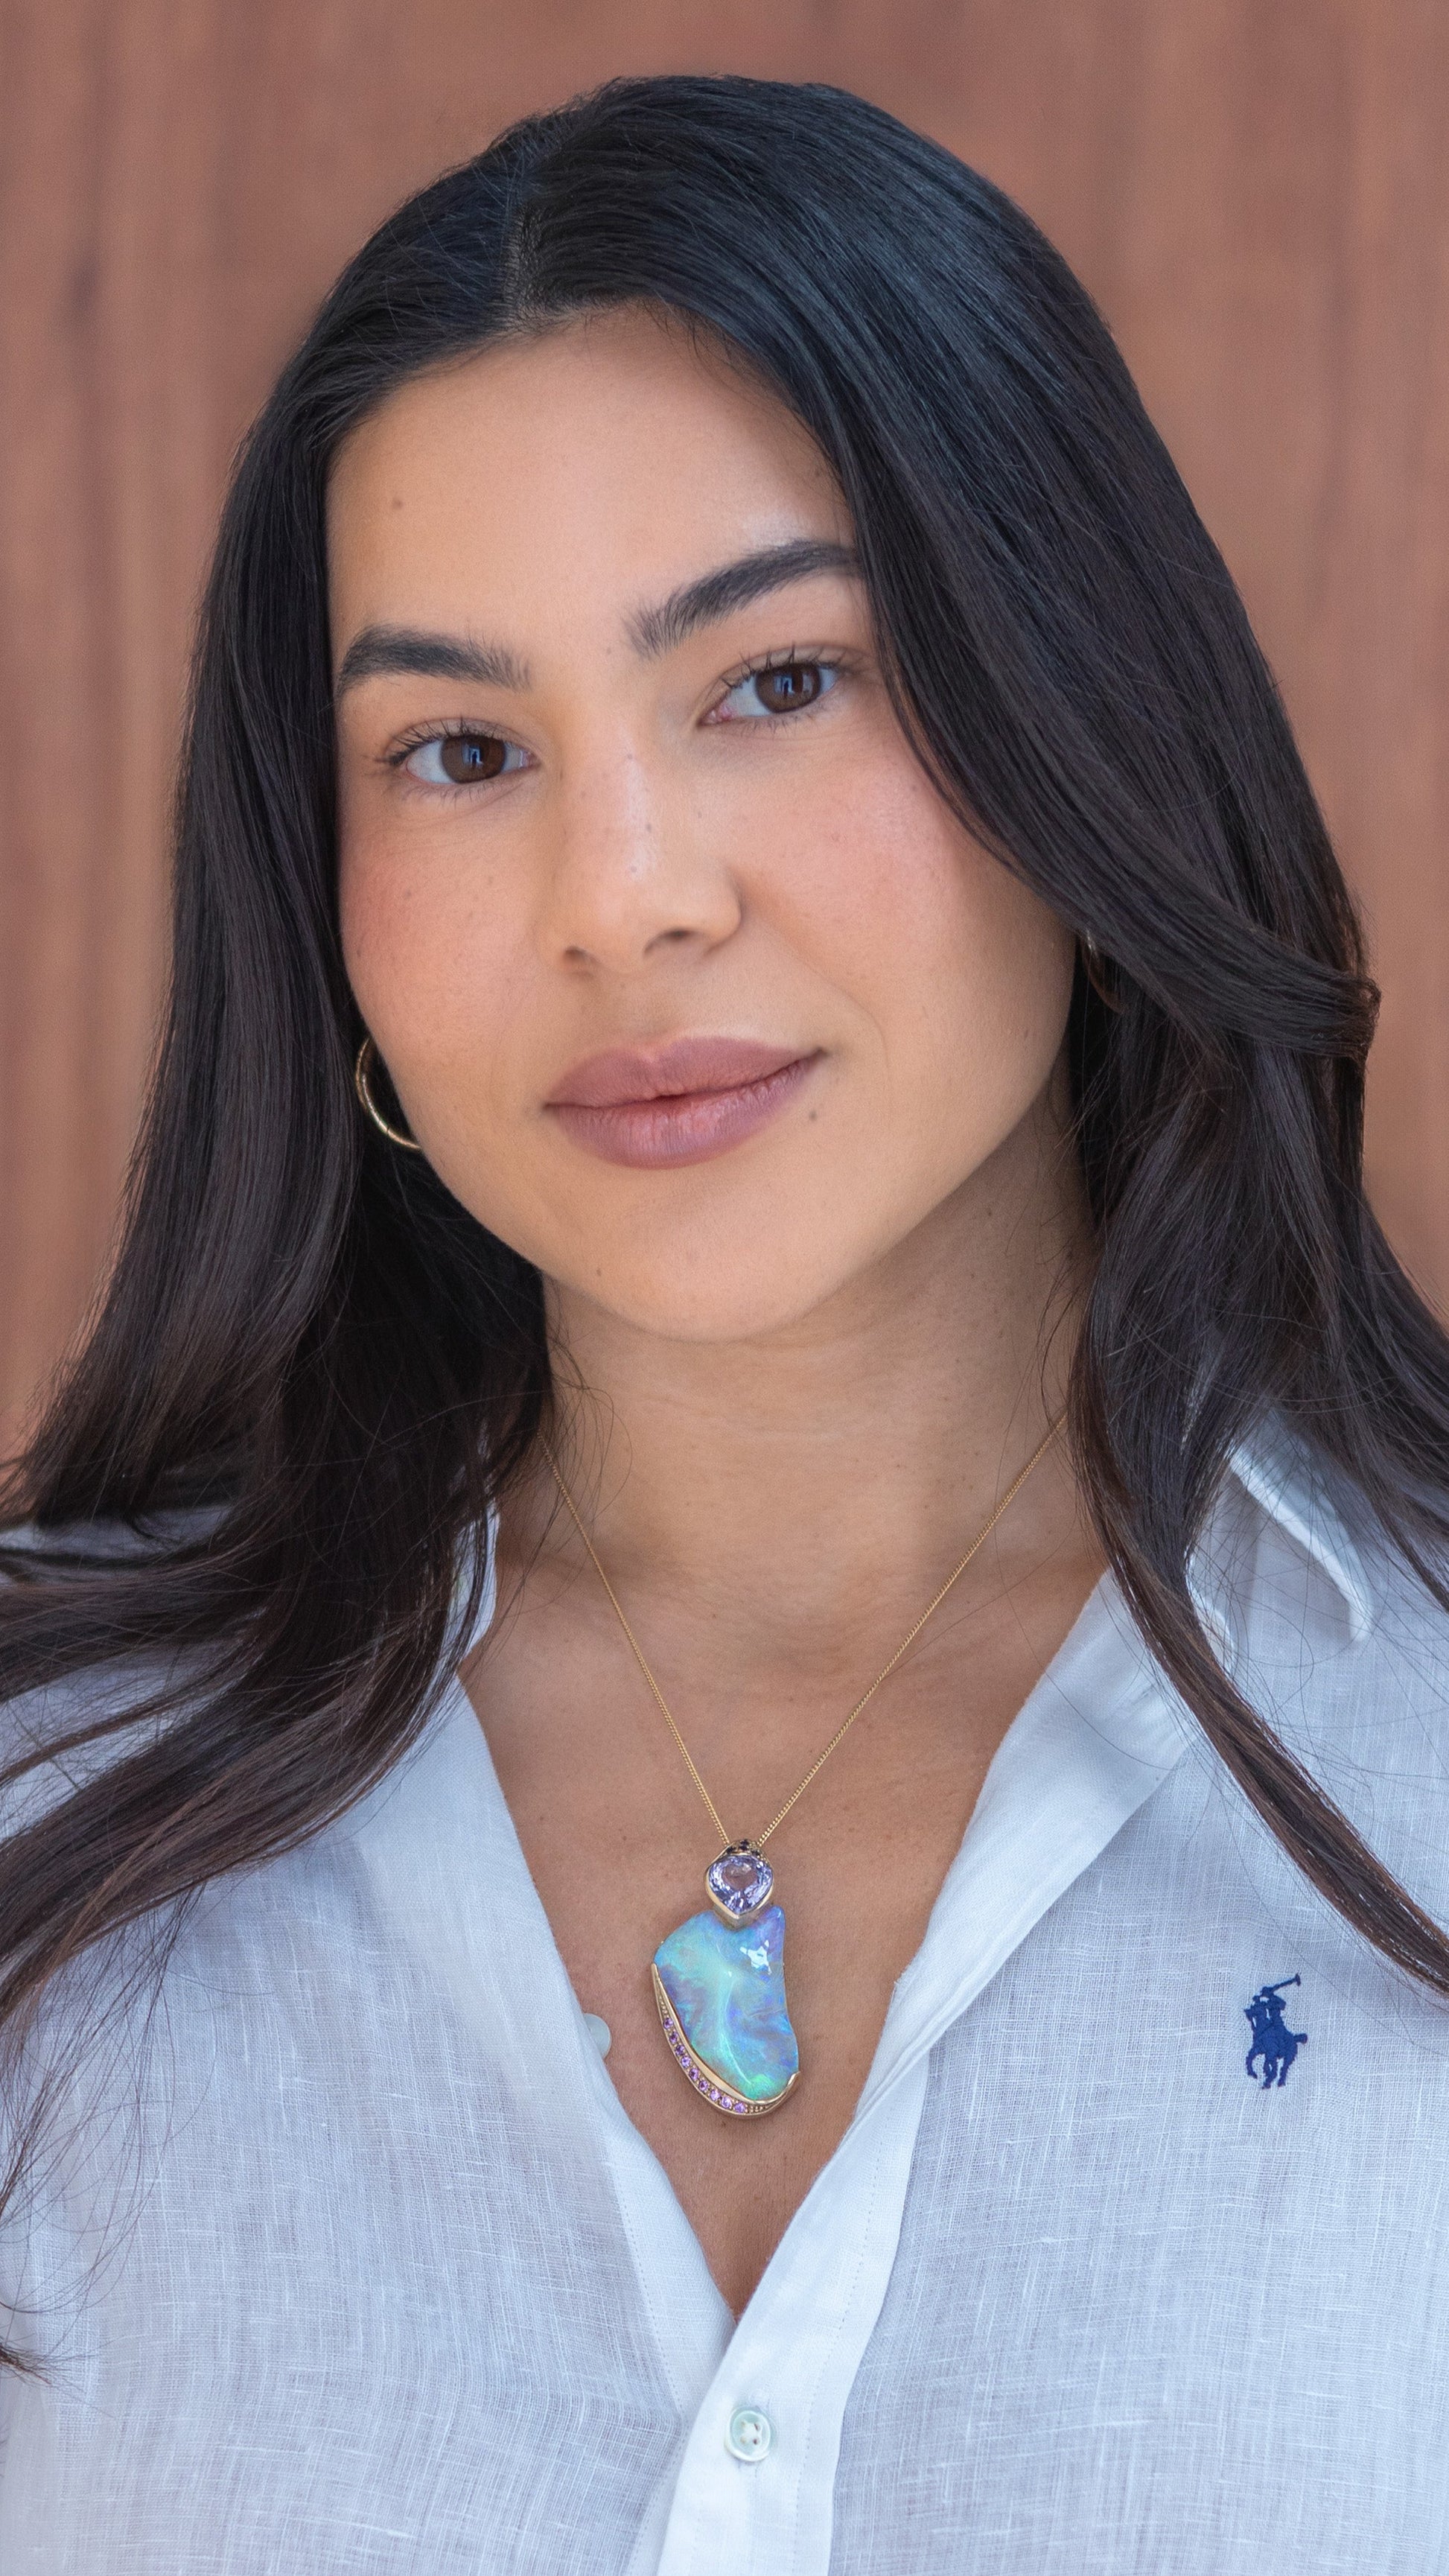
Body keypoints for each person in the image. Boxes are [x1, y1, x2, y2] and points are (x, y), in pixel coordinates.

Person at [2, 72, 1448, 2574]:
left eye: (776, 681)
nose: (624, 895)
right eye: (459, 751)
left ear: (1077, 724)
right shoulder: (56, 1816)